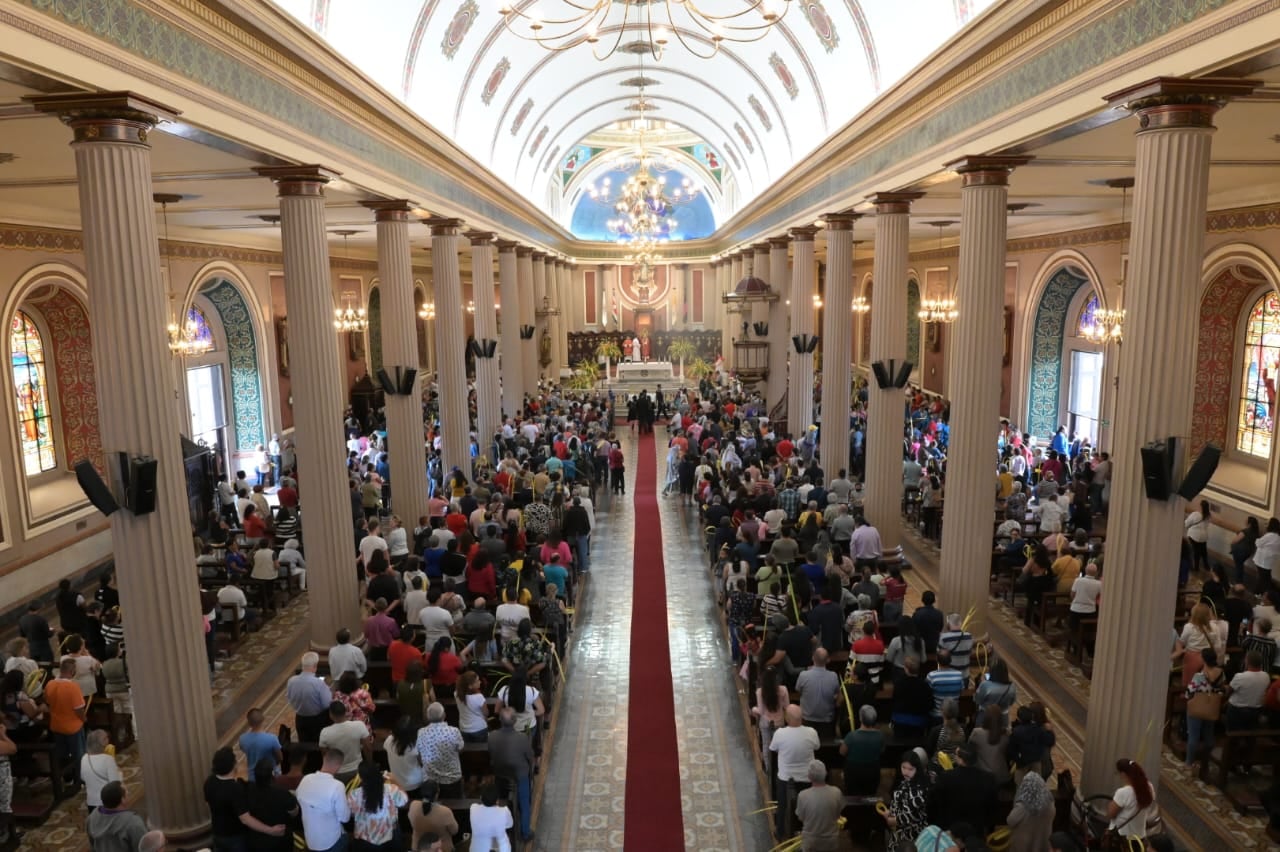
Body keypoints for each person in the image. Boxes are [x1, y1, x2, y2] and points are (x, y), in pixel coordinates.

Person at [205, 746, 287, 850]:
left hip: (217, 833)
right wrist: (271, 830)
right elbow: (245, 819)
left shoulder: (209, 781)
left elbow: (208, 804)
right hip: (235, 837)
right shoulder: (235, 789)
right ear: (233, 766)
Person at [769, 704, 820, 836]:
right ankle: (806, 831)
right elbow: (817, 746)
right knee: (807, 806)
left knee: (782, 805)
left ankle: (780, 832)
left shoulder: (780, 733)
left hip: (786, 777)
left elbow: (772, 748)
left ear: (787, 718)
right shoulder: (811, 732)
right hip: (807, 777)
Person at [489, 707, 536, 842]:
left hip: (500, 773)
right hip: (519, 774)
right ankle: (525, 833)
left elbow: (492, 753)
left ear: (500, 720)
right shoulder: (522, 738)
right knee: (525, 803)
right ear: (515, 721)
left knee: (501, 798)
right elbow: (530, 756)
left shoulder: (492, 736)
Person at [296, 749, 352, 852]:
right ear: (339, 766)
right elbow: (345, 818)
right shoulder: (337, 786)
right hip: (331, 843)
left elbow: (299, 799)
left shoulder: (305, 779)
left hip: (311, 841)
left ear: (324, 760)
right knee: (347, 837)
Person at [348, 760, 408, 851]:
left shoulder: (354, 794)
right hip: (390, 837)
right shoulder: (391, 789)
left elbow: (351, 814)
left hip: (364, 840)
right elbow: (404, 800)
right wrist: (395, 780)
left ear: (360, 777)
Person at [45, 657, 87, 784]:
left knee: (62, 754)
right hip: (73, 726)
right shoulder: (73, 687)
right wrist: (84, 719)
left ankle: (67, 777)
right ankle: (79, 779)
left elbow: (46, 701)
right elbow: (78, 709)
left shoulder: (50, 684)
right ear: (72, 671)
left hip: (56, 725)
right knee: (78, 755)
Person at [246, 758, 298, 852]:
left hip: (256, 840)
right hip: (280, 841)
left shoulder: (247, 790)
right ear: (272, 774)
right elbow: (294, 812)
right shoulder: (282, 793)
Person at [1184, 647, 1225, 767]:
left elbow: (1189, 692)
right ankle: (1205, 760)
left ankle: (1189, 762)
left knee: (1193, 736)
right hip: (1211, 706)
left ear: (1204, 659)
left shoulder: (1199, 676)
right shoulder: (1221, 673)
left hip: (1197, 707)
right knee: (1209, 736)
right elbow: (1222, 689)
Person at [882, 749, 930, 848]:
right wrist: (891, 812)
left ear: (917, 769)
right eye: (903, 767)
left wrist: (892, 820)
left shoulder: (918, 790)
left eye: (910, 769)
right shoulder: (906, 781)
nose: (906, 772)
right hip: (898, 832)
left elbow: (909, 815)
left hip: (910, 836)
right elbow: (898, 802)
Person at [794, 759, 844, 851]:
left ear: (809, 776)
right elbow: (838, 814)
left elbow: (801, 818)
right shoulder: (836, 792)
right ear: (825, 773)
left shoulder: (803, 795)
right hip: (831, 841)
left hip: (811, 842)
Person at [85, 781, 148, 852]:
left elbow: (93, 846)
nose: (129, 792)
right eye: (127, 792)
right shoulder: (133, 823)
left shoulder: (92, 818)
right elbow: (144, 848)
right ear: (122, 800)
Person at [1007, 762, 1056, 851]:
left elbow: (1010, 821)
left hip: (1024, 845)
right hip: (1042, 844)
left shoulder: (1023, 806)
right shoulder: (1050, 803)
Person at [319, 700, 371, 783]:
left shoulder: (325, 732)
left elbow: (325, 755)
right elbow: (367, 747)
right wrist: (370, 763)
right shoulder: (359, 725)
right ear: (345, 712)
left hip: (337, 773)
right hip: (357, 770)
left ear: (331, 715)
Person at [1106, 758, 1157, 841]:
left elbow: (1111, 814)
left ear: (1123, 774)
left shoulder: (1123, 792)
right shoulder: (1149, 786)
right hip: (1139, 836)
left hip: (1122, 837)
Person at [839, 705, 884, 795]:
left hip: (853, 773)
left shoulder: (851, 736)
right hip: (873, 772)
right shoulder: (880, 735)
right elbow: (882, 751)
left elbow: (842, 752)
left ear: (860, 718)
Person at [287, 654, 334, 741]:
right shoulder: (318, 683)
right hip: (317, 720)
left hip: (300, 719)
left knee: (304, 743)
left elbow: (289, 699)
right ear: (315, 666)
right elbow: (327, 704)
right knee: (318, 744)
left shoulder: (291, 681)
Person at [82, 729, 122, 813]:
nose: (108, 739)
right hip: (107, 802)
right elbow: (115, 783)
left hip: (91, 802)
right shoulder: (108, 759)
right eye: (106, 738)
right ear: (101, 743)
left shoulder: (84, 758)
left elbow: (83, 778)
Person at [385, 717, 424, 797]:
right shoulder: (415, 745)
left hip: (397, 782)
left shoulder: (388, 741)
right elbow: (422, 762)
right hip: (415, 783)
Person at [469, 785, 514, 852]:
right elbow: (510, 825)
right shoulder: (504, 811)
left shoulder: (473, 808)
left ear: (481, 797)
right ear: (497, 801)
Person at [239, 707, 283, 776]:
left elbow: (244, 749)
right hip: (270, 775)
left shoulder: (242, 739)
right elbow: (280, 757)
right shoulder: (272, 738)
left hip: (252, 776)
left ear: (249, 723)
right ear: (263, 719)